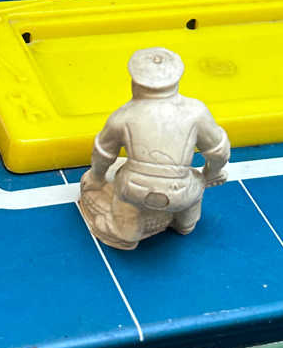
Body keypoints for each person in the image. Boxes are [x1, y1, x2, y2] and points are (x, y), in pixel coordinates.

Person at [79, 46, 231, 250]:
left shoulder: (122, 115)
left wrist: (96, 177)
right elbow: (218, 151)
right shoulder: (196, 111)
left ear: (135, 82)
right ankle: (185, 222)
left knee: (125, 190)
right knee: (195, 180)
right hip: (180, 191)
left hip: (133, 189)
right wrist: (212, 173)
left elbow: (103, 153)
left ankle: (125, 233)